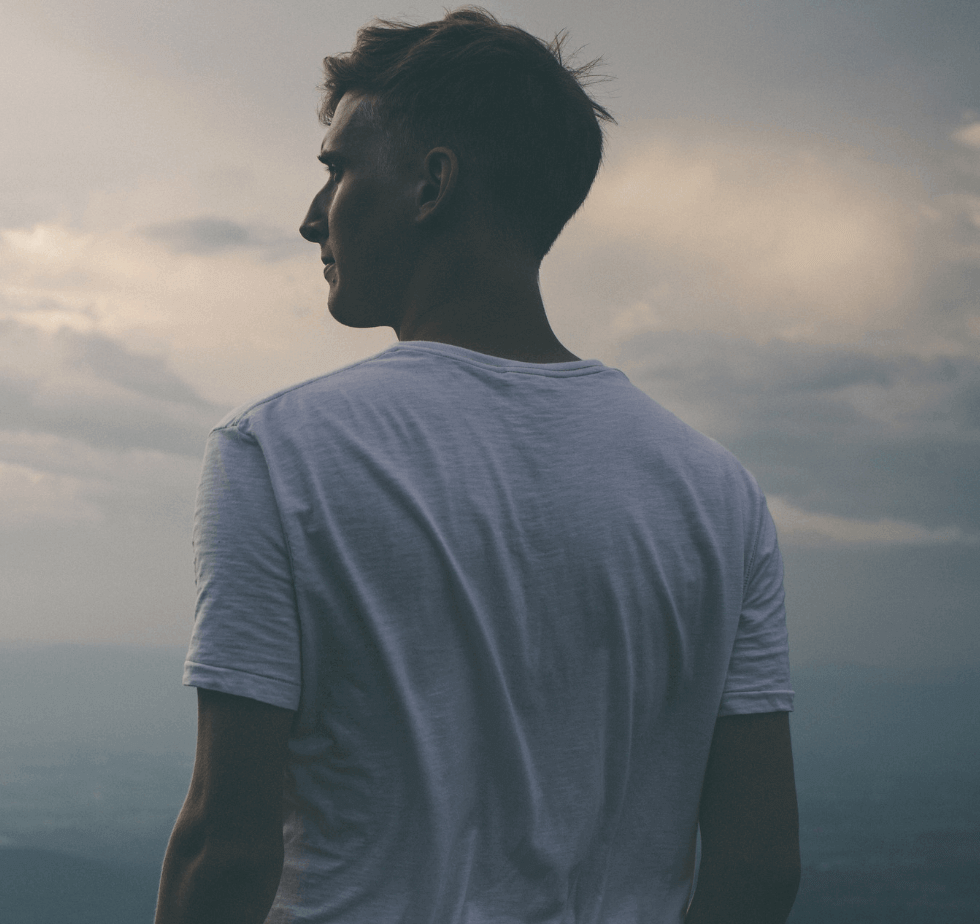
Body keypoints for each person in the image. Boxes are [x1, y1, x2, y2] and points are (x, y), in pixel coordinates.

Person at [153, 8, 800, 924]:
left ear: (431, 184)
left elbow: (227, 844)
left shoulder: (279, 452)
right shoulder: (716, 493)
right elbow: (761, 863)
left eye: (337, 171)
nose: (309, 220)